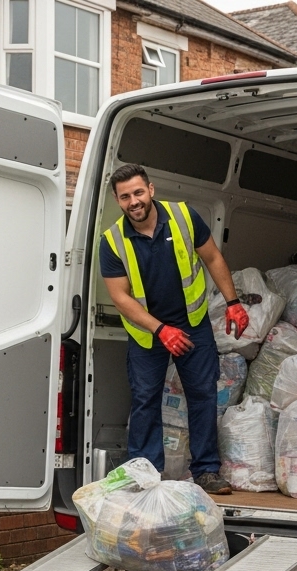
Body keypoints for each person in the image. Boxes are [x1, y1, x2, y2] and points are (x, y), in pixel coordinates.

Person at [100, 164, 249, 495]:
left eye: (138, 192)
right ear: (117, 200)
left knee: (202, 394)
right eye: (125, 197)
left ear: (151, 190)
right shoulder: (112, 241)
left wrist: (233, 302)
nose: (133, 201)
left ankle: (207, 470)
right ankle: (145, 474)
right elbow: (120, 297)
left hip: (192, 324)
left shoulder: (183, 217)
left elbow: (212, 258)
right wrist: (160, 330)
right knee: (145, 400)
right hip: (147, 333)